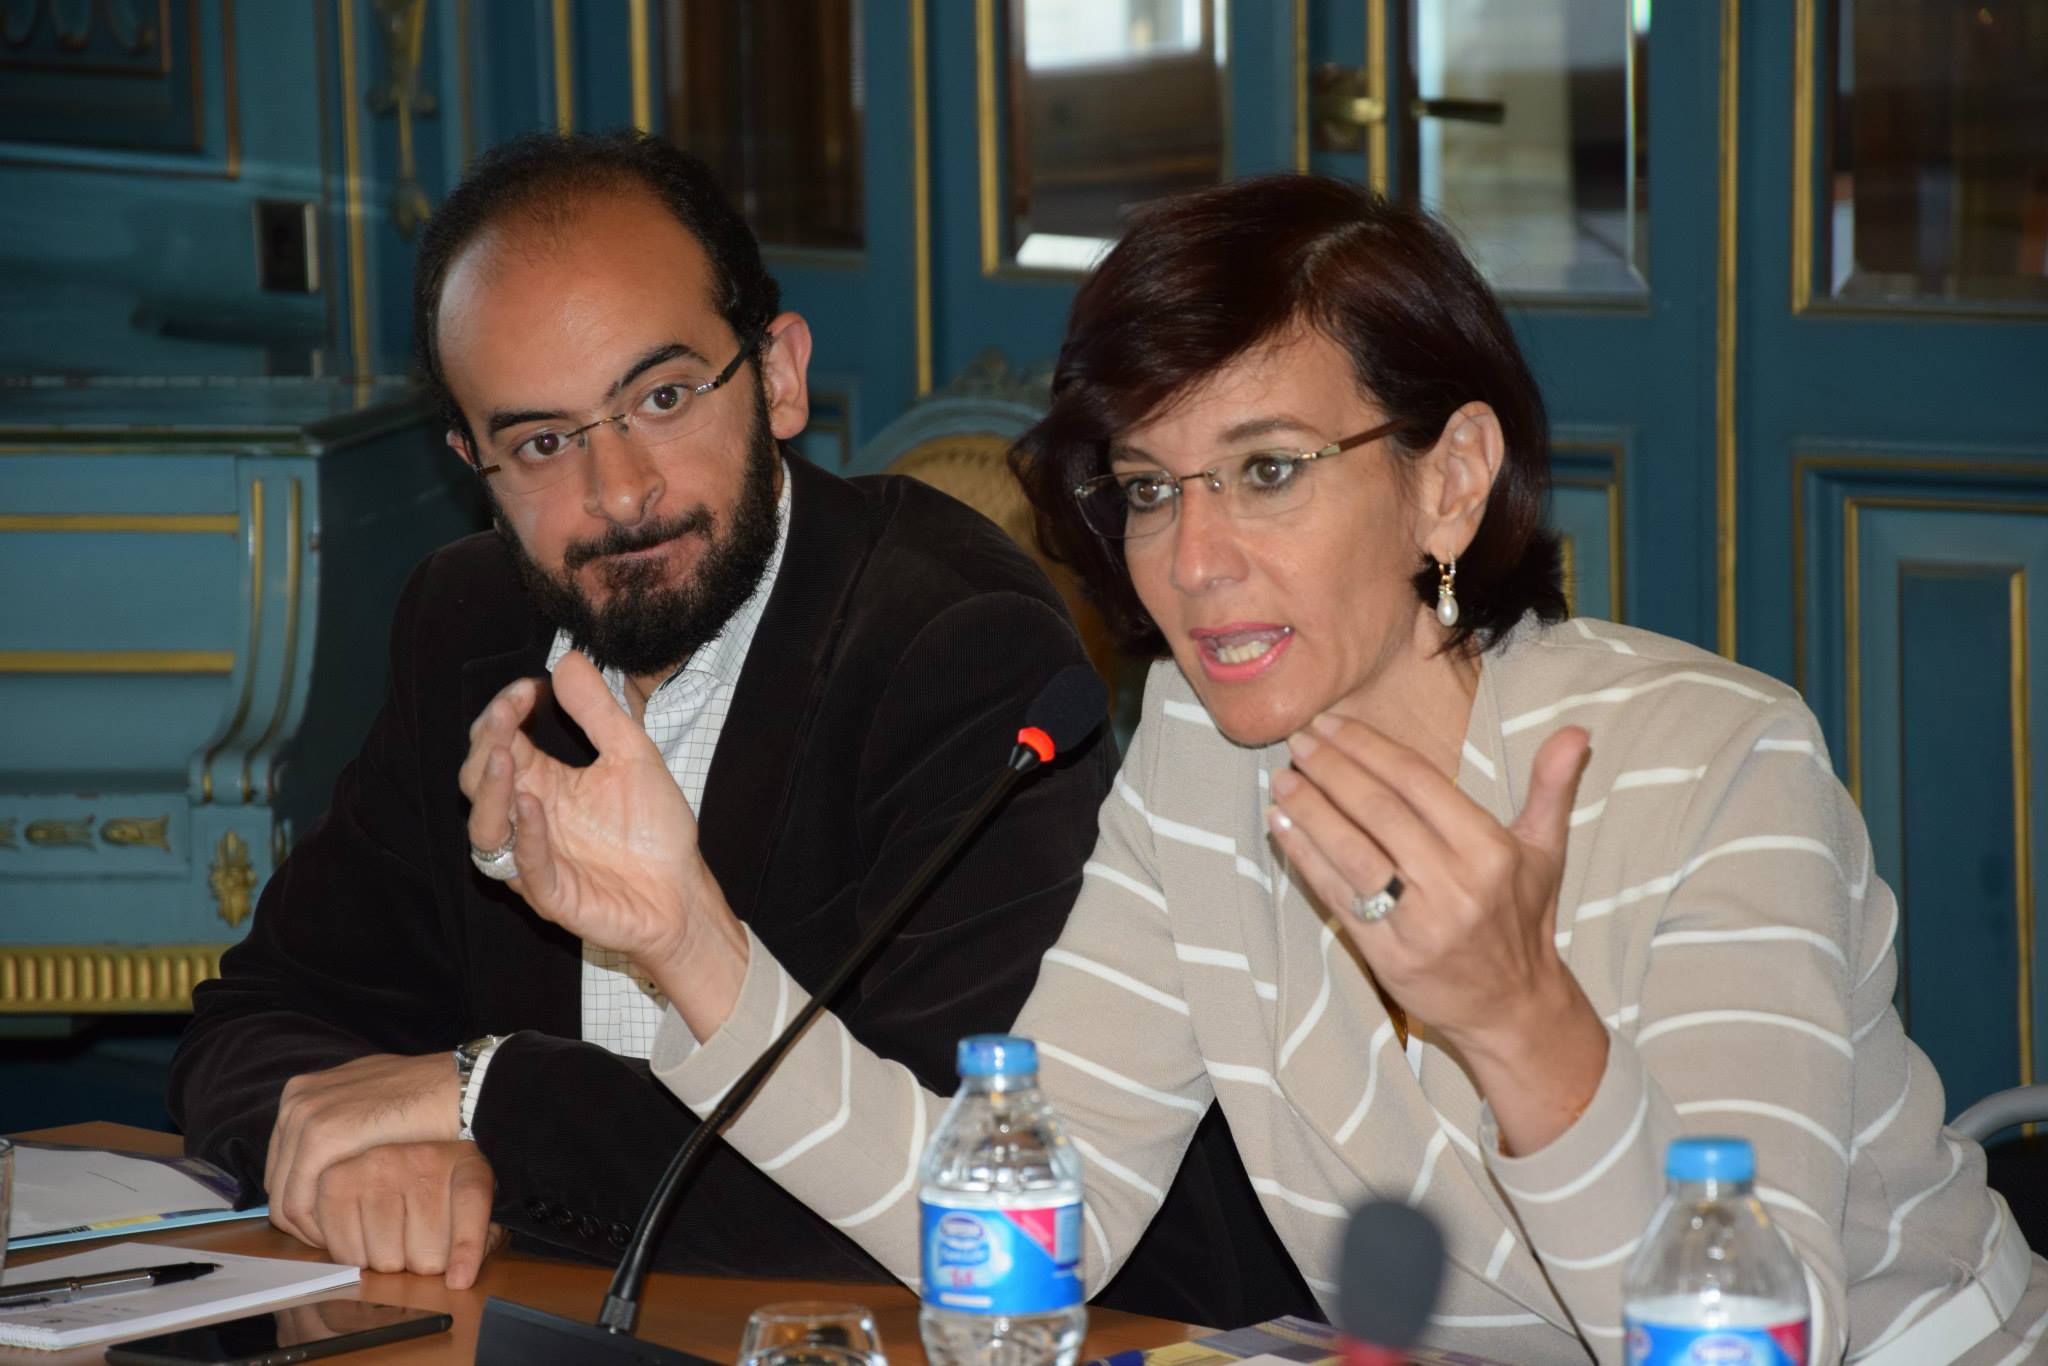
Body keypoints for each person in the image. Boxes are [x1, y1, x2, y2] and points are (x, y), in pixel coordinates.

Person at [470, 173, 2048, 1365]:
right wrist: (690, 941)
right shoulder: (1202, 753)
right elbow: (1037, 1228)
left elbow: (1752, 1338)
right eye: (1150, 488)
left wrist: (1526, 1025)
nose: (1195, 559)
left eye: (1269, 470)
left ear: (1451, 479)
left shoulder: (1715, 764)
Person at [169, 133, 1314, 1326]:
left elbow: (927, 1182)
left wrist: (479, 1100)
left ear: (777, 376)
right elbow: (252, 1025)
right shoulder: (467, 630)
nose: (619, 491)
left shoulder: (950, 646)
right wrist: (373, 1153)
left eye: (662, 399)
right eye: (543, 443)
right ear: (473, 465)